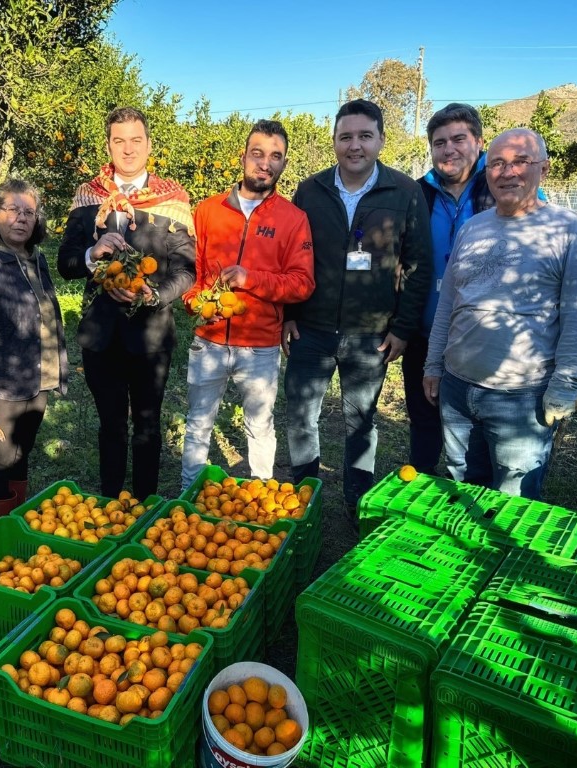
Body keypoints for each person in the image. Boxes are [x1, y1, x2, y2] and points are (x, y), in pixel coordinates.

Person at [422, 128, 577, 499]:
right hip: (457, 388)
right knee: (463, 483)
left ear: (544, 169)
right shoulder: (473, 228)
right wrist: (433, 366)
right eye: (498, 163)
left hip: (522, 397)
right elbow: (448, 303)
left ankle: (503, 557)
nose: (507, 172)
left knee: (512, 497)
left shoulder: (571, 231)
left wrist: (565, 387)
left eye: (521, 162)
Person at [284, 99, 433, 531]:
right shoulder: (310, 191)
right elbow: (292, 256)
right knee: (300, 416)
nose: (355, 146)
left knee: (362, 421)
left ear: (381, 141)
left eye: (365, 136)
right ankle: (303, 499)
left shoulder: (404, 193)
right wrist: (290, 314)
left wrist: (403, 328)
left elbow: (418, 266)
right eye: (346, 136)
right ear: (334, 141)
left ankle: (357, 500)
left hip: (372, 335)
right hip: (311, 329)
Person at [58, 107, 195, 501]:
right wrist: (91, 253)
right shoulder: (88, 197)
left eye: (136, 140)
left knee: (148, 425)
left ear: (149, 144)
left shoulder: (172, 199)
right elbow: (66, 262)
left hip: (151, 336)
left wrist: (153, 295)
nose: (129, 149)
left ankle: (147, 508)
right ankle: (110, 507)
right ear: (109, 145)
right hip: (100, 336)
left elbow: (187, 270)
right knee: (111, 426)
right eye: (120, 141)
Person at [179, 120, 315, 491]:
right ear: (243, 157)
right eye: (257, 153)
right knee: (198, 423)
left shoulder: (293, 219)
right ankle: (187, 496)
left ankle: (260, 501)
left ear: (284, 164)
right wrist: (195, 303)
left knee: (259, 425)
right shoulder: (208, 211)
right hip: (208, 342)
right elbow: (192, 270)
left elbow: (302, 284)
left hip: (260, 346)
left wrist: (250, 279)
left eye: (275, 156)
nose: (265, 163)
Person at [0, 179, 69, 517]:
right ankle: (1, 527)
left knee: (22, 451)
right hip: (2, 383)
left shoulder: (37, 260)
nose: (22, 218)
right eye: (13, 210)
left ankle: (16, 518)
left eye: (29, 212)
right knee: (2, 458)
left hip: (38, 377)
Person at [404, 103, 494, 475]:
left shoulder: (501, 189)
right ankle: (421, 493)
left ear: (479, 142)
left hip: (482, 341)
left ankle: (480, 507)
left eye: (459, 139)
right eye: (439, 142)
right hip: (424, 333)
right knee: (424, 424)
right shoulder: (418, 195)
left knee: (477, 438)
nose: (448, 149)